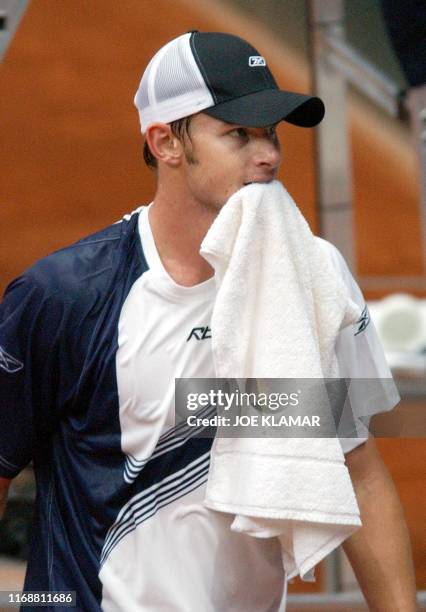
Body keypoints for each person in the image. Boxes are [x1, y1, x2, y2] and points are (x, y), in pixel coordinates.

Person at [0, 31, 418, 611]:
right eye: (238, 135)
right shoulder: (66, 295)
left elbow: (357, 466)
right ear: (166, 142)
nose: (268, 154)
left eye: (270, 132)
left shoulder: (310, 276)